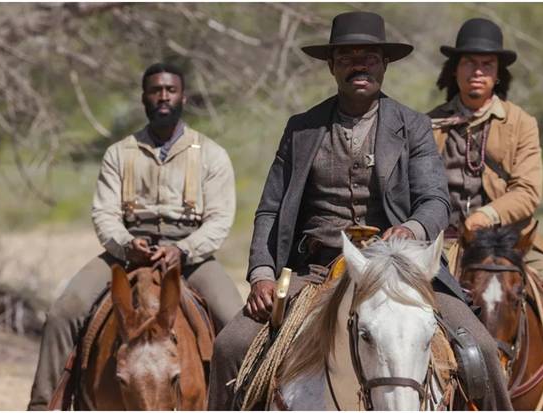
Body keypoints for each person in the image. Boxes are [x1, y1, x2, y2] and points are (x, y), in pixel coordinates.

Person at [208, 11, 512, 410]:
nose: (359, 64)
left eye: (368, 56)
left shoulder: (413, 126)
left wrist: (412, 229)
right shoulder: (302, 128)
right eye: (347, 56)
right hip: (317, 270)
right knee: (230, 345)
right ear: (332, 66)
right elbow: (270, 210)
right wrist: (263, 275)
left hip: (398, 268)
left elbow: (436, 201)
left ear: (384, 64)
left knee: (482, 351)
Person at [27, 62, 243, 410]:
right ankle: (42, 405)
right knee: (63, 313)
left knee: (238, 326)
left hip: (190, 255)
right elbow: (104, 213)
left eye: (170, 90)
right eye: (155, 90)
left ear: (183, 97)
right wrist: (126, 245)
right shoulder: (119, 153)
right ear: (144, 98)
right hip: (127, 250)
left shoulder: (211, 154)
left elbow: (220, 219)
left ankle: (243, 403)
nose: (163, 96)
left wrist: (183, 250)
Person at [428, 18, 543, 401]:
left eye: (486, 64)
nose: (477, 71)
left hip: (508, 244)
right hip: (445, 246)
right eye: (469, 63)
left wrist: (487, 215)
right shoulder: (428, 125)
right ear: (454, 69)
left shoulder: (521, 124)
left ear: (497, 74)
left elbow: (527, 191)